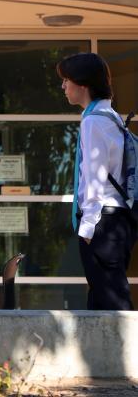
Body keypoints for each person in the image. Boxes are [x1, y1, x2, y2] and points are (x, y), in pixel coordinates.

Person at [58, 53, 137, 310]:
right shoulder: (111, 117)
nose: (63, 86)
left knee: (113, 305)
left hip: (102, 221)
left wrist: (88, 226)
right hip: (119, 218)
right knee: (102, 302)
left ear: (82, 84)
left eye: (66, 80)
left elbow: (94, 175)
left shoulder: (93, 122)